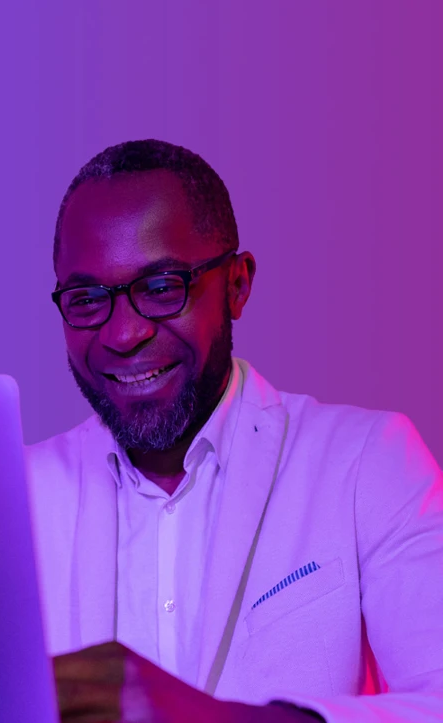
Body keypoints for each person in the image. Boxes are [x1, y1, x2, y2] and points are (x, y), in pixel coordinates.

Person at [25, 139, 443, 722]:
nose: (123, 334)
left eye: (162, 287)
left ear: (238, 284)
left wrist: (212, 718)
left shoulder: (367, 463)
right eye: (88, 299)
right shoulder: (10, 499)